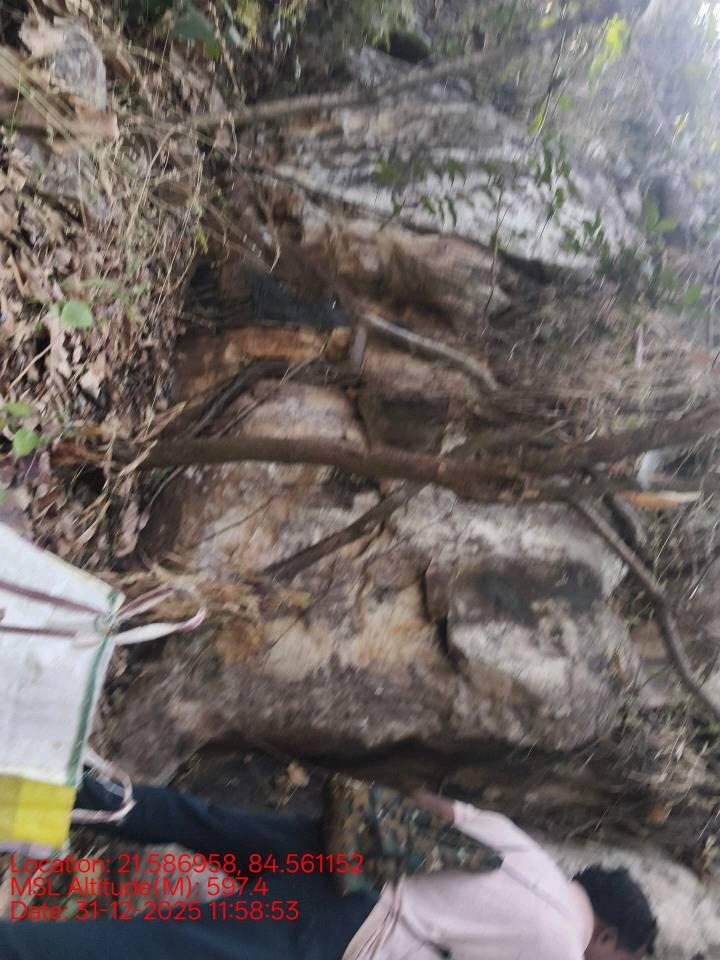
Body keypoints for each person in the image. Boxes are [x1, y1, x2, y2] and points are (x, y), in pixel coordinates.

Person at [0, 775, 657, 960]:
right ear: (606, 936)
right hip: (335, 924)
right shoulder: (559, 949)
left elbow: (427, 803)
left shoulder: (525, 848)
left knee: (192, 820)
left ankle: (26, 791)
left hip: (334, 851)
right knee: (147, 947)